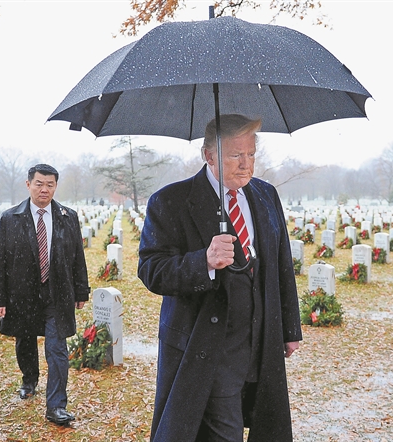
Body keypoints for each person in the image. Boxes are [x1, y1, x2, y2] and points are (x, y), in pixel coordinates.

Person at [138, 114, 302, 442]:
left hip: (260, 345)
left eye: (251, 154)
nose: (246, 164)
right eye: (234, 155)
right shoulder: (170, 202)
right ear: (208, 155)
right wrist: (204, 262)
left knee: (263, 425)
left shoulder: (266, 196)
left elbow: (281, 266)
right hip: (207, 351)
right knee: (221, 433)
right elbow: (151, 270)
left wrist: (289, 328)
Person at [0, 164, 90, 426]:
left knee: (57, 349)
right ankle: (29, 378)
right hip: (23, 294)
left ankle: (56, 406)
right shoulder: (11, 218)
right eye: (39, 184)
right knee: (25, 341)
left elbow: (78, 257)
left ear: (56, 186)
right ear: (28, 184)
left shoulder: (69, 217)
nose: (44, 189)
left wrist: (81, 290)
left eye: (50, 185)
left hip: (57, 294)